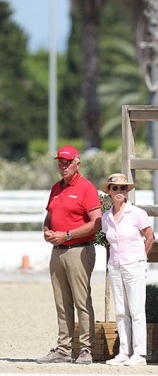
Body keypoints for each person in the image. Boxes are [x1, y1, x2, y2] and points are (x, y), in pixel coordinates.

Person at [36, 145, 102, 365]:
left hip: (79, 250)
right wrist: (47, 230)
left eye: (67, 162)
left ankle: (85, 349)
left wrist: (67, 234)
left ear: (77, 163)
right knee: (61, 302)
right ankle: (63, 348)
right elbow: (49, 216)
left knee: (81, 301)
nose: (63, 166)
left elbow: (96, 223)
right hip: (57, 251)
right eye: (60, 162)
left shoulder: (86, 188)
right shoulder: (56, 188)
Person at [100, 173, 154, 366]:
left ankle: (139, 354)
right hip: (115, 265)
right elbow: (109, 240)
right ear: (109, 191)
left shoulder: (137, 213)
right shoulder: (105, 217)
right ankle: (124, 351)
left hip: (134, 264)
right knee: (121, 310)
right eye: (115, 188)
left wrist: (141, 257)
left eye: (123, 188)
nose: (120, 191)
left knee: (137, 309)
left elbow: (150, 237)